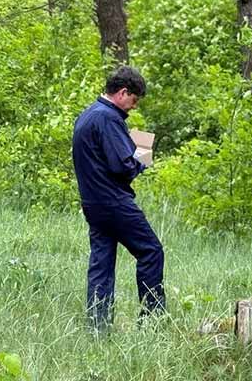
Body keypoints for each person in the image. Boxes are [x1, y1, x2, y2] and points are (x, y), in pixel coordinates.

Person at [72, 66, 166, 332]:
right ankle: (153, 322)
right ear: (123, 92)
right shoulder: (108, 118)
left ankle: (97, 327)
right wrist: (144, 151)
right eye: (134, 100)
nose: (133, 107)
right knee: (151, 251)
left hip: (93, 204)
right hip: (114, 202)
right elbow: (122, 167)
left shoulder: (87, 115)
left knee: (101, 264)